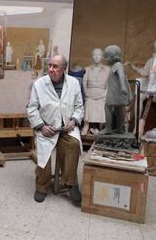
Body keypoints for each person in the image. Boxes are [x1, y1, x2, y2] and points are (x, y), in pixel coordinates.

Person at [27, 55, 84, 204]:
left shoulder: (74, 83)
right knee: (44, 153)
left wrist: (74, 120)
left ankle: (71, 183)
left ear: (64, 68)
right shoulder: (39, 84)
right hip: (46, 128)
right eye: (50, 65)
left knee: (73, 145)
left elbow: (79, 106)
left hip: (66, 127)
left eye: (55, 66)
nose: (51, 69)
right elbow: (32, 109)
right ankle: (41, 186)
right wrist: (41, 126)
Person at [125, 37, 156, 126]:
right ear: (155, 47)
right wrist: (132, 66)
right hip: (152, 89)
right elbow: (144, 72)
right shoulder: (151, 60)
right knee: (139, 97)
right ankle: (136, 126)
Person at [100, 45, 132, 135]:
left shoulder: (117, 65)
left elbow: (121, 75)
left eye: (106, 57)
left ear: (112, 57)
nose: (105, 59)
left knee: (108, 107)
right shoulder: (117, 65)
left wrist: (123, 87)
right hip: (116, 92)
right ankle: (120, 129)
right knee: (118, 109)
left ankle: (108, 128)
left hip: (116, 92)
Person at [81, 48, 110, 135]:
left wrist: (105, 94)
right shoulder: (87, 69)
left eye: (99, 55)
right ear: (92, 56)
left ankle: (101, 128)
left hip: (101, 95)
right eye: (95, 55)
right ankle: (86, 126)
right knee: (88, 104)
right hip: (90, 94)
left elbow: (109, 83)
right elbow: (84, 82)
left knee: (102, 108)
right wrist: (87, 93)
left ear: (102, 57)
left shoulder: (107, 69)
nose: (96, 57)